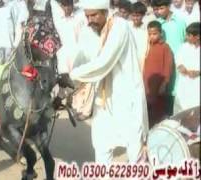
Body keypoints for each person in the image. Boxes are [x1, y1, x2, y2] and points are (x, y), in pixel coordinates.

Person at [65, 0, 148, 164]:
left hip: (126, 98)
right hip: (103, 100)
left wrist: (72, 76)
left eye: (94, 15)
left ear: (105, 12)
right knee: (101, 146)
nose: (90, 20)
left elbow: (104, 62)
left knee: (134, 149)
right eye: (87, 16)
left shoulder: (120, 26)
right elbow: (83, 58)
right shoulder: (93, 31)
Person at [151, 0, 186, 116]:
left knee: (177, 91)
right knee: (164, 89)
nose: (159, 11)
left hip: (179, 63)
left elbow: (185, 41)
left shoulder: (180, 21)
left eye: (162, 8)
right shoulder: (158, 23)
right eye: (158, 9)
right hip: (164, 63)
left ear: (168, 6)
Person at [143, 21, 173, 128]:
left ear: (160, 33)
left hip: (158, 85)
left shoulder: (165, 47)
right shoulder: (145, 46)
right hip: (146, 83)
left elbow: (168, 67)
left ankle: (157, 131)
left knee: (158, 109)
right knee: (145, 109)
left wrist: (164, 84)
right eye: (150, 34)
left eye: (154, 34)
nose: (152, 36)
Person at [174, 22, 200, 113]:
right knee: (181, 107)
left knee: (195, 107)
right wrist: (180, 66)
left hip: (197, 83)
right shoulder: (184, 46)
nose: (186, 37)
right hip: (184, 82)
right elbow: (178, 59)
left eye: (189, 35)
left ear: (197, 36)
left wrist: (198, 72)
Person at [129, 1, 148, 71]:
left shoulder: (146, 29)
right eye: (133, 16)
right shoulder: (127, 27)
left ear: (143, 15)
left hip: (142, 60)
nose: (135, 18)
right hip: (130, 59)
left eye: (138, 16)